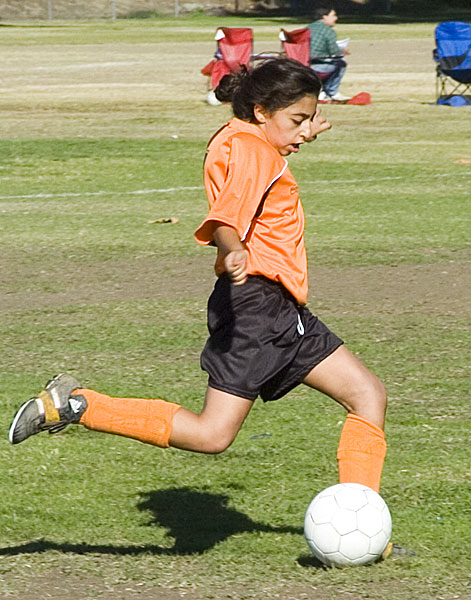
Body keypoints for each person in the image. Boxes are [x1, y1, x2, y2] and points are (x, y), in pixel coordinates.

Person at [9, 58, 387, 498]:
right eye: (297, 120)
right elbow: (227, 215)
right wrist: (232, 247)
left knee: (368, 394)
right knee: (212, 434)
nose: (304, 131)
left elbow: (250, 173)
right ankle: (77, 405)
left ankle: (363, 517)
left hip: (277, 306)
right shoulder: (254, 152)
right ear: (262, 111)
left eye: (309, 120)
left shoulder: (235, 137)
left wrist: (297, 130)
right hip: (258, 308)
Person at [309, 5, 350, 102]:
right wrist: (343, 50)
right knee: (341, 63)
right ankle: (332, 92)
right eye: (333, 15)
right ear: (324, 17)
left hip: (303, 64)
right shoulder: (328, 31)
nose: (336, 18)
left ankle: (321, 91)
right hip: (319, 65)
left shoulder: (308, 28)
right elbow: (334, 52)